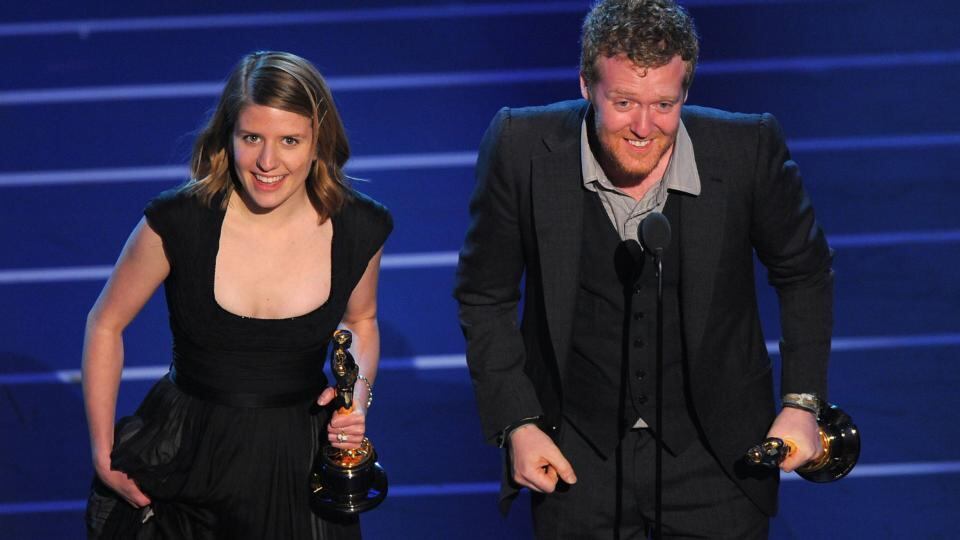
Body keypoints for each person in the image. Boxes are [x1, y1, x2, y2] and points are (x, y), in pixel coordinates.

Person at [454, 0, 833, 537]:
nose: (643, 126)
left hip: (718, 455)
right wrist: (518, 421)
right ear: (586, 85)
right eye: (624, 101)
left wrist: (802, 403)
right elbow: (483, 294)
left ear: (686, 93)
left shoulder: (746, 149)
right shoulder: (521, 147)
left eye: (664, 105)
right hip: (576, 456)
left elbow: (805, 272)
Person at [82, 51, 392, 539]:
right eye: (252, 138)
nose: (268, 163)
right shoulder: (178, 220)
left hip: (296, 465)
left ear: (318, 143)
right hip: (183, 458)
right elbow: (106, 324)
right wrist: (102, 451)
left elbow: (362, 320)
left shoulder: (359, 226)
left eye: (290, 140)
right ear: (227, 137)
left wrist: (358, 400)